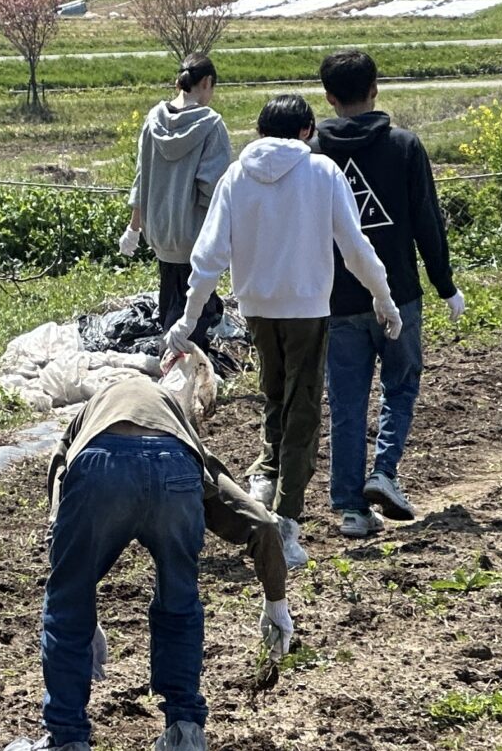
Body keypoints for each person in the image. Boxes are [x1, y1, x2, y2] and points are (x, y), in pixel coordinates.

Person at [1, 348, 295, 751]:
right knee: (180, 597)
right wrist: (276, 602)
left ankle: (66, 741)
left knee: (65, 602)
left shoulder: (94, 408)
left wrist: (81, 605)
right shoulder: (181, 431)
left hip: (100, 465)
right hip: (175, 474)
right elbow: (261, 522)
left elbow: (61, 485)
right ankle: (185, 733)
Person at [169, 93, 402, 573]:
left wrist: (189, 317)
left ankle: (264, 482)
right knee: (304, 410)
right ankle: (287, 521)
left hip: (257, 308)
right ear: (306, 130)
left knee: (275, 398)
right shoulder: (320, 173)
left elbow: (208, 253)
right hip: (308, 307)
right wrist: (383, 296)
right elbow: (354, 247)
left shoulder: (237, 175)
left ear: (259, 131)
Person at [313, 50, 466, 540]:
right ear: (376, 89)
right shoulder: (404, 146)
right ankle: (384, 471)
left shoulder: (313, 150)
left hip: (336, 299)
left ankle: (351, 510)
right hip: (397, 292)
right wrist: (446, 285)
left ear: (330, 98)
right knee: (400, 385)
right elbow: (427, 221)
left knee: (346, 400)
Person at [122, 56, 234, 350]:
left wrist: (134, 228)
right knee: (190, 315)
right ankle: (182, 372)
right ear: (207, 82)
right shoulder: (211, 126)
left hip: (159, 232)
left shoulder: (152, 120)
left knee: (171, 298)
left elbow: (140, 178)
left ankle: (178, 350)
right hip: (195, 237)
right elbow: (214, 188)